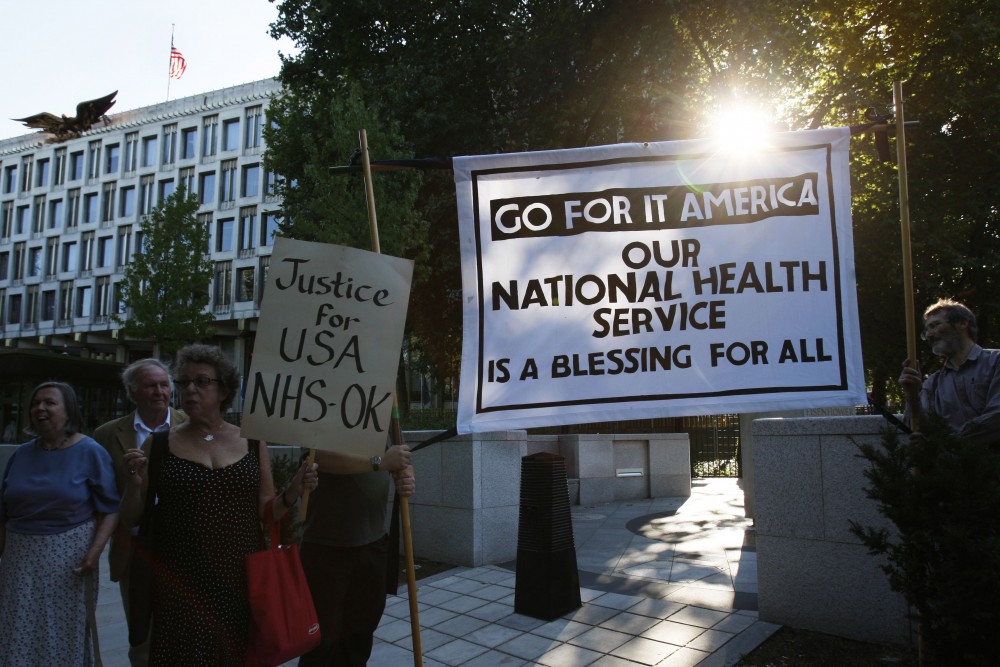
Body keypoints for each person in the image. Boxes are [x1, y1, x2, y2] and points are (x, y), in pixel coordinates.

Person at [119, 343, 318, 667]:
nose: (190, 390)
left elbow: (266, 512)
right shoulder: (158, 443)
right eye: (183, 383)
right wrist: (134, 483)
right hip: (181, 584)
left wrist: (292, 491)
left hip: (240, 581)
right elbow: (132, 518)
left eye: (202, 381)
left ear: (224, 389)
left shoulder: (253, 440)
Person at [0, 381, 120, 667]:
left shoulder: (90, 451)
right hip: (19, 560)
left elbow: (111, 508)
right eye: (35, 403)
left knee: (60, 633)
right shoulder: (22, 454)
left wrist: (94, 553)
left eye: (50, 402)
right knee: (15, 630)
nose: (40, 408)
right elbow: (3, 511)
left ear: (68, 411)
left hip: (68, 560)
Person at [94, 358, 188, 667]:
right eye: (151, 385)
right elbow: (100, 494)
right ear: (133, 392)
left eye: (164, 385)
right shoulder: (107, 435)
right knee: (142, 637)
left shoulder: (191, 425)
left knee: (186, 631)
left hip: (184, 547)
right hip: (135, 549)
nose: (160, 392)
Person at [298, 442, 416, 666]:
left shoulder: (384, 410)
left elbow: (399, 456)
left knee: (360, 636)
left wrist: (407, 474)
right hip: (325, 547)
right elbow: (317, 458)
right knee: (321, 641)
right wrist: (379, 461)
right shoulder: (321, 410)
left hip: (373, 543)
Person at [899, 298, 1000, 445]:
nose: (929, 335)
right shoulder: (932, 384)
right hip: (951, 466)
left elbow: (996, 417)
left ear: (962, 323)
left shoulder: (995, 362)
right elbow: (920, 428)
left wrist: (948, 445)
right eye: (926, 331)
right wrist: (912, 395)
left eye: (934, 326)